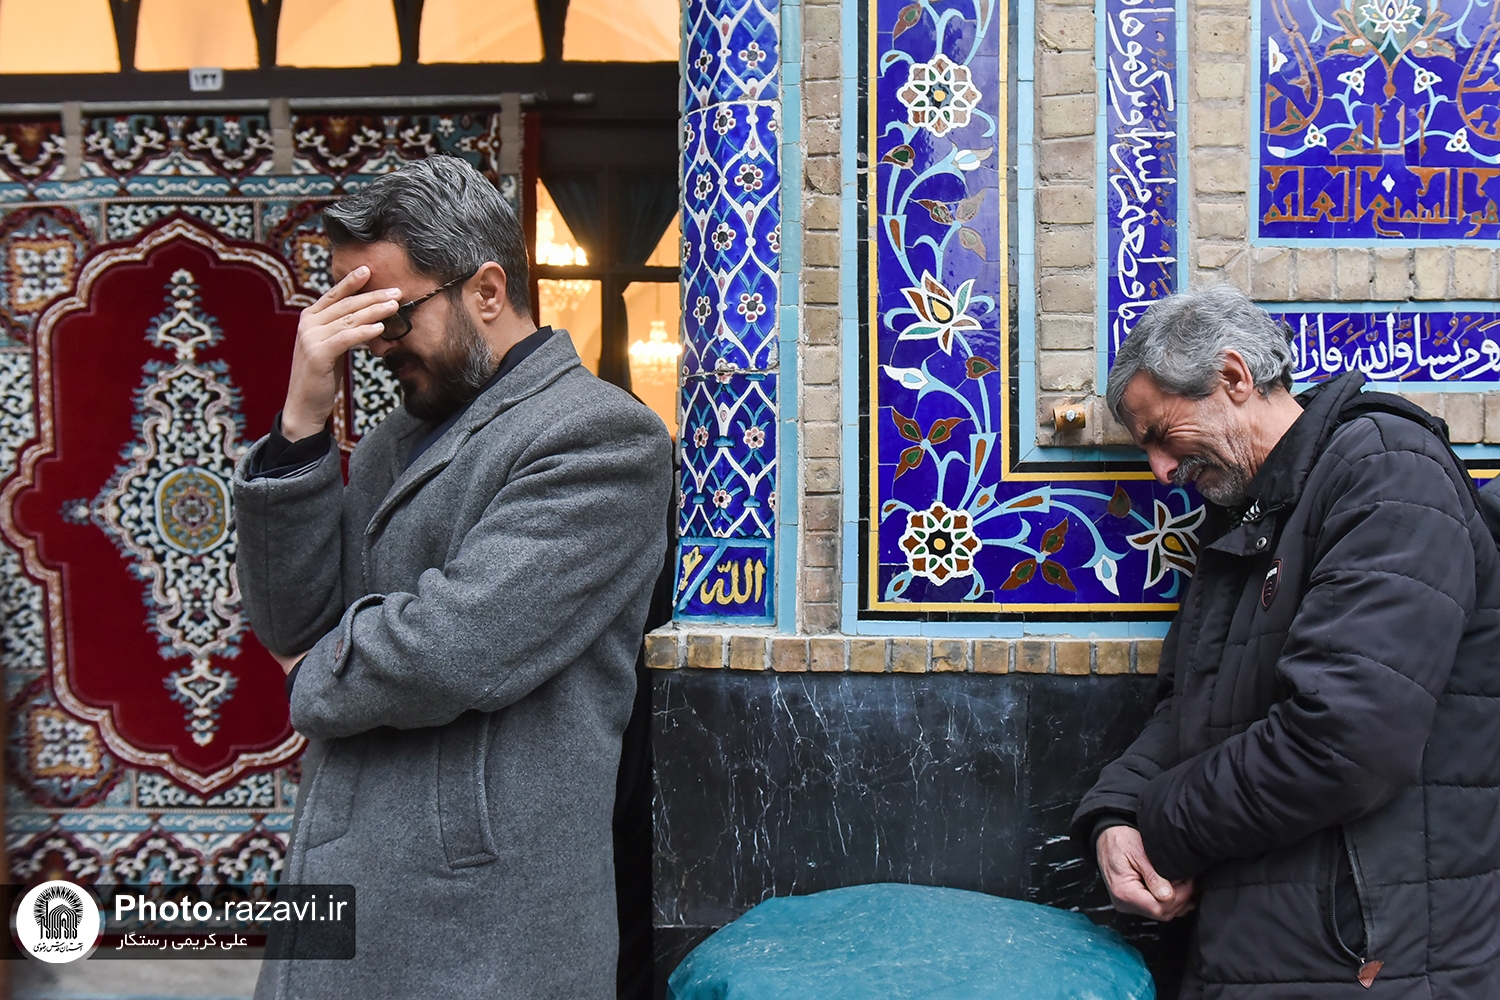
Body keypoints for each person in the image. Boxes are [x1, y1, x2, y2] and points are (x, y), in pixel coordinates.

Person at [232, 155, 673, 1000]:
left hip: (481, 923)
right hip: (351, 879)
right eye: (354, 318)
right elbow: (293, 624)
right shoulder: (397, 440)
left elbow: (458, 646)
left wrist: (312, 676)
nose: (374, 345)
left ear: (487, 290)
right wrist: (302, 420)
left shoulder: (602, 437)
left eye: (392, 315)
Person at [1072, 284, 1500, 998]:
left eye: (1160, 435)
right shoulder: (1247, 517)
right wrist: (1116, 817)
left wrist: (1160, 828)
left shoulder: (1386, 473)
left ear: (1233, 377)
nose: (1160, 471)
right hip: (1263, 951)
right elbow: (1188, 708)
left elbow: (1345, 740)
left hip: (1365, 963)